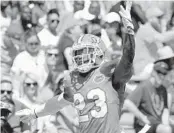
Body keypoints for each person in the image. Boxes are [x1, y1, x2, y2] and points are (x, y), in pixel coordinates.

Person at [16, 1, 135, 133]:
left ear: (99, 55)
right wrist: (35, 113)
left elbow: (127, 59)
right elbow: (59, 102)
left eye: (86, 52)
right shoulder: (73, 78)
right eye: (78, 53)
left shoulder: (108, 71)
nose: (81, 57)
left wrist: (128, 31)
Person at [124, 60, 174, 133]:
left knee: (167, 128)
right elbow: (128, 103)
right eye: (159, 72)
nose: (162, 76)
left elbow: (165, 110)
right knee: (166, 130)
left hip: (158, 124)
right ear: (153, 72)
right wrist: (142, 117)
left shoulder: (163, 89)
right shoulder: (145, 86)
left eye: (164, 73)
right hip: (144, 126)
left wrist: (166, 124)